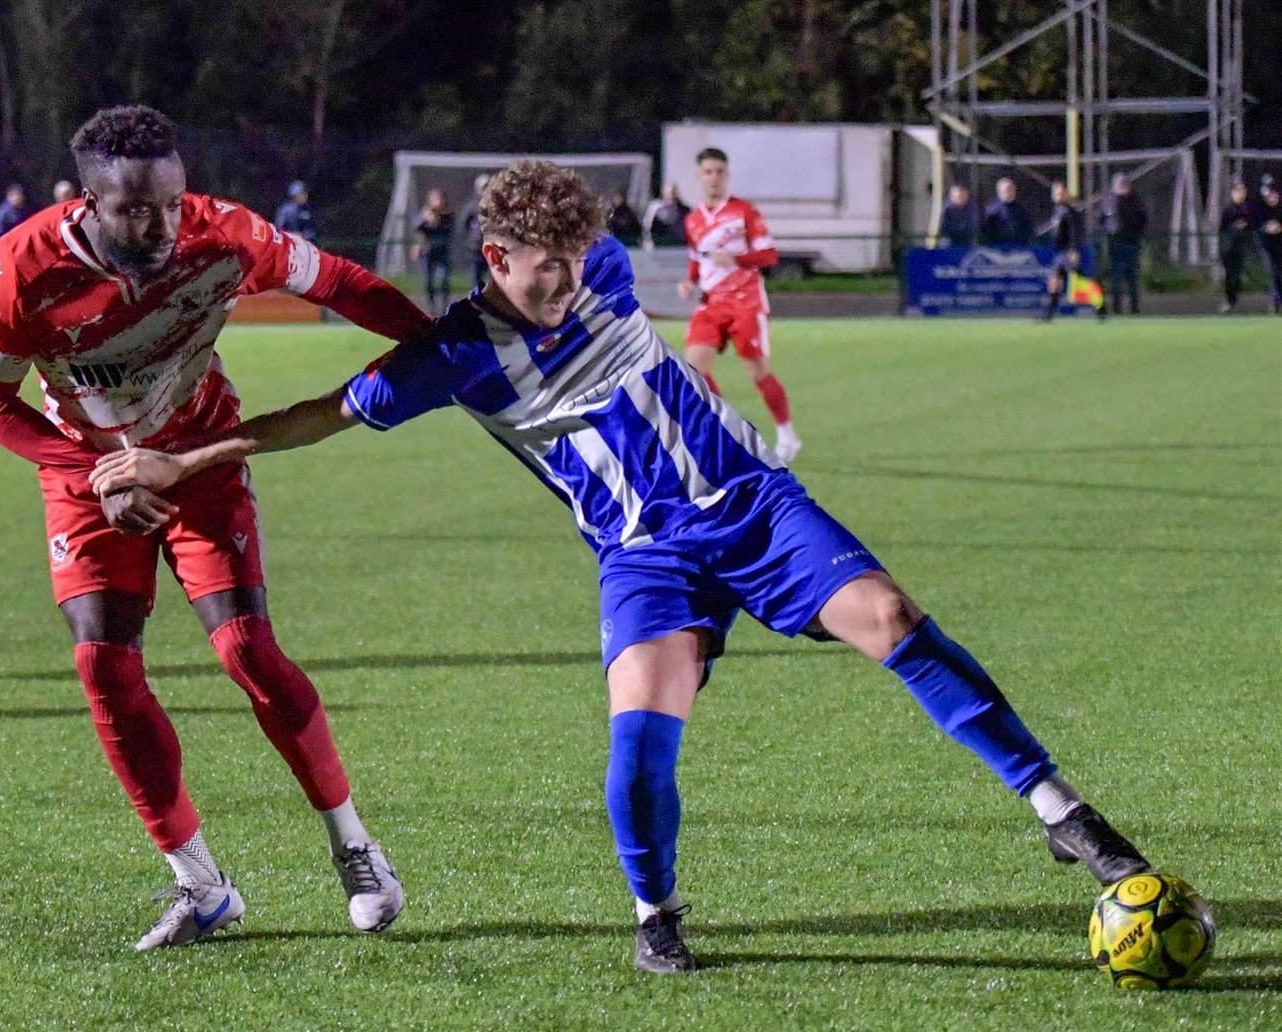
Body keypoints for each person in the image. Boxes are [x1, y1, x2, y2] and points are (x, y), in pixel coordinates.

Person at [89, 160, 1152, 975]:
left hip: (753, 506)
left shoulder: (597, 269)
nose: (565, 279)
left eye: (574, 258)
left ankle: (1064, 817)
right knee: (639, 741)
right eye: (541, 263)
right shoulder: (451, 355)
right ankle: (657, 919)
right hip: (642, 555)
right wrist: (188, 456)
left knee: (892, 618)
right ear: (494, 255)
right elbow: (319, 416)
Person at [0, 105, 428, 951]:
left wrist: (434, 340)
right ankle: (201, 885)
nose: (162, 224)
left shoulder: (227, 235)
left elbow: (341, 285)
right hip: (89, 469)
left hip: (201, 452)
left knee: (244, 648)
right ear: (90, 205)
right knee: (102, 660)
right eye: (137, 210)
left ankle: (355, 847)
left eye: (172, 203)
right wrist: (93, 475)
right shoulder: (19, 273)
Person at [677, 147, 800, 463]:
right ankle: (725, 432)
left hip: (746, 302)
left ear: (727, 174)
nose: (714, 177)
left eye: (719, 171)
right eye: (708, 172)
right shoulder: (692, 220)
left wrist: (736, 258)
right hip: (711, 302)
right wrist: (690, 281)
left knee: (757, 372)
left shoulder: (744, 212)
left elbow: (769, 255)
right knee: (693, 370)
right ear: (699, 176)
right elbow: (697, 259)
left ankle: (787, 433)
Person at [1041, 182, 1101, 321]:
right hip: (1060, 253)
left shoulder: (1070, 211)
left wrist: (1074, 250)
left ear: (1066, 194)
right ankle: (1049, 316)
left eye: (1061, 193)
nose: (1058, 195)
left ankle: (1100, 306)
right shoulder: (1057, 210)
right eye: (1056, 193)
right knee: (1056, 282)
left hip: (1067, 252)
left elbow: (1075, 233)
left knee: (1077, 284)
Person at [1100, 173, 1147, 315]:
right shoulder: (1109, 201)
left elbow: (1142, 219)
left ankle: (1134, 308)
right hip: (1115, 244)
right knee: (1116, 278)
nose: (1120, 188)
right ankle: (1117, 309)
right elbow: (1100, 219)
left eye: (1123, 185)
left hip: (1131, 243)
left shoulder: (1135, 201)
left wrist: (1135, 233)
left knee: (1132, 277)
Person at [1218, 178, 1259, 313]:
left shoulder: (1249, 208)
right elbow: (1222, 229)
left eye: (1242, 191)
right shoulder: (1228, 210)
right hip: (1229, 248)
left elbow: (1254, 225)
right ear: (1233, 193)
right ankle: (1229, 301)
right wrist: (1233, 229)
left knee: (1237, 276)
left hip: (1242, 248)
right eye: (1238, 191)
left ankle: (1234, 301)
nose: (1240, 194)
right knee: (1230, 276)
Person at [410, 188, 454, 315]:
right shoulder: (424, 215)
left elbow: (449, 231)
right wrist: (427, 220)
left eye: (440, 199)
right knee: (428, 281)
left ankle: (445, 307)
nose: (438, 202)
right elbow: (417, 230)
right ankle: (432, 307)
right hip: (428, 253)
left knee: (443, 279)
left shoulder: (448, 216)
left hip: (441, 252)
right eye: (435, 199)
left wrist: (437, 221)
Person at [459, 173, 490, 290]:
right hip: (476, 248)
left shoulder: (497, 206)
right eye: (483, 187)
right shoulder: (472, 207)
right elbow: (464, 224)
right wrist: (472, 238)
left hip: (493, 247)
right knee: (476, 279)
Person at [981, 177, 1033, 246]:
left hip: (1019, 248)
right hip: (997, 249)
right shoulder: (991, 211)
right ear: (999, 191)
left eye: (1012, 189)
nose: (1009, 192)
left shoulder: (1022, 209)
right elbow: (985, 233)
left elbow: (1028, 229)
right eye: (1006, 190)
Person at [1257, 175, 1282, 315]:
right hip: (1268, 247)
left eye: (1273, 194)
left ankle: (1277, 301)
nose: (1271, 197)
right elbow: (1257, 226)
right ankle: (1275, 302)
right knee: (1274, 274)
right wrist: (1266, 228)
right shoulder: (1262, 209)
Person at [645, 183, 689, 247]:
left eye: (673, 193)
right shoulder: (656, 210)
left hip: (680, 246)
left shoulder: (684, 211)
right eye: (668, 193)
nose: (670, 196)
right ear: (663, 194)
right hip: (662, 246)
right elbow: (650, 229)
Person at [937, 183, 979, 248]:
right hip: (950, 241)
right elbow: (944, 228)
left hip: (967, 241)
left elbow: (974, 226)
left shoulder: (973, 208)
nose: (959, 198)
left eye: (962, 196)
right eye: (956, 197)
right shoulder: (947, 210)